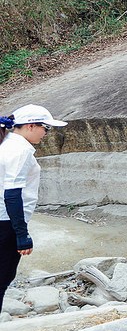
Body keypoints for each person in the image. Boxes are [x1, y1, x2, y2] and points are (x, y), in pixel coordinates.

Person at [0, 105, 67, 313]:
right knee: (2, 278)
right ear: (30, 126)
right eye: (45, 128)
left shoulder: (7, 143)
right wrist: (22, 234)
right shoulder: (20, 150)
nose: (46, 133)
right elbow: (11, 194)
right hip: (6, 222)